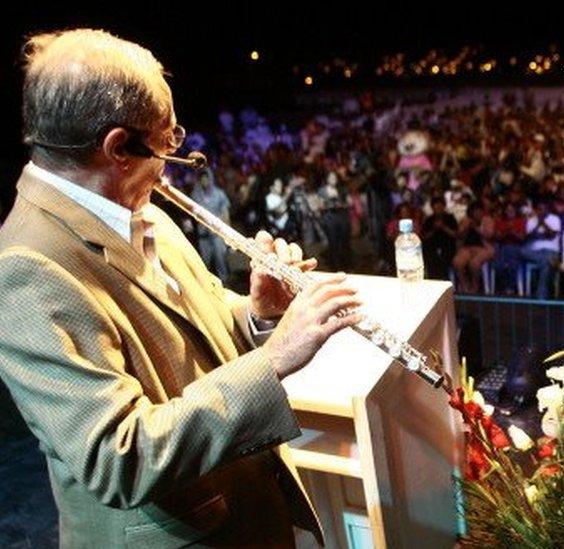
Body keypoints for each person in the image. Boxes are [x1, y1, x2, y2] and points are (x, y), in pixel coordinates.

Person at [0, 29, 363, 546]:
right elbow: (118, 458)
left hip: (245, 506)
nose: (175, 152)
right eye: (168, 139)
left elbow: (200, 328)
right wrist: (276, 358)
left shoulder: (141, 208)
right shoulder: (26, 269)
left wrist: (258, 315)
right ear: (119, 147)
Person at [190, 168, 232, 283]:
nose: (204, 181)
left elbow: (225, 214)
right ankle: (205, 287)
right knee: (204, 262)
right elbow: (191, 213)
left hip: (217, 234)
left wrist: (228, 236)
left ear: (210, 178)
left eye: (206, 178)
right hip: (203, 234)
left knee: (220, 261)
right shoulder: (196, 195)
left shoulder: (219, 194)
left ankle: (225, 284)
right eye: (202, 179)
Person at [521, 200, 562, 299]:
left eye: (544, 209)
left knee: (546, 262)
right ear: (536, 210)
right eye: (539, 209)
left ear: (547, 209)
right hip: (535, 251)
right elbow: (528, 238)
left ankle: (541, 295)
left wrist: (543, 223)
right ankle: (548, 262)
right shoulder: (531, 220)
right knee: (523, 251)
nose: (542, 212)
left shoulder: (555, 219)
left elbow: (552, 236)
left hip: (551, 250)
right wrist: (537, 225)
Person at [453, 201, 495, 293]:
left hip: (485, 248)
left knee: (474, 264)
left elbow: (489, 235)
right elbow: (458, 235)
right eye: (475, 211)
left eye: (479, 211)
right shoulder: (465, 220)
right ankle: (464, 286)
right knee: (457, 262)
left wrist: (477, 228)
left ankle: (475, 286)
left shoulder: (487, 220)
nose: (477, 213)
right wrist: (465, 228)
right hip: (467, 248)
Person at [492, 201, 526, 294]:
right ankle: (502, 287)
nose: (510, 212)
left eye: (512, 210)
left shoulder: (520, 221)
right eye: (508, 210)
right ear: (505, 211)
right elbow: (497, 237)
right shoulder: (500, 222)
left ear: (515, 211)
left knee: (512, 261)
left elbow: (522, 238)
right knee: (498, 265)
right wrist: (507, 231)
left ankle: (510, 287)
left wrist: (513, 232)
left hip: (516, 247)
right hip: (502, 247)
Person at [421, 196, 458, 281]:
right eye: (436, 207)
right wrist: (434, 229)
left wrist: (443, 227)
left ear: (444, 206)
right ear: (433, 207)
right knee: (431, 259)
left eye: (440, 206)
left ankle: (446, 281)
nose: (438, 208)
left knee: (444, 258)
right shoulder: (429, 220)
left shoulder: (450, 218)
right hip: (432, 248)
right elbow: (425, 237)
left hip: (448, 247)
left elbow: (455, 234)